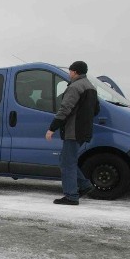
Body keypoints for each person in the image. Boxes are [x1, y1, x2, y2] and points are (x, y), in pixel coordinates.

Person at [45, 61, 98, 205]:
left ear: (74, 72)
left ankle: (71, 196)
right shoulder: (91, 87)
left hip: (73, 130)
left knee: (67, 163)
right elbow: (96, 110)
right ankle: (85, 185)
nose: (69, 74)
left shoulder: (75, 87)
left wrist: (52, 128)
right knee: (66, 159)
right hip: (84, 130)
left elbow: (65, 109)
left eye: (70, 71)